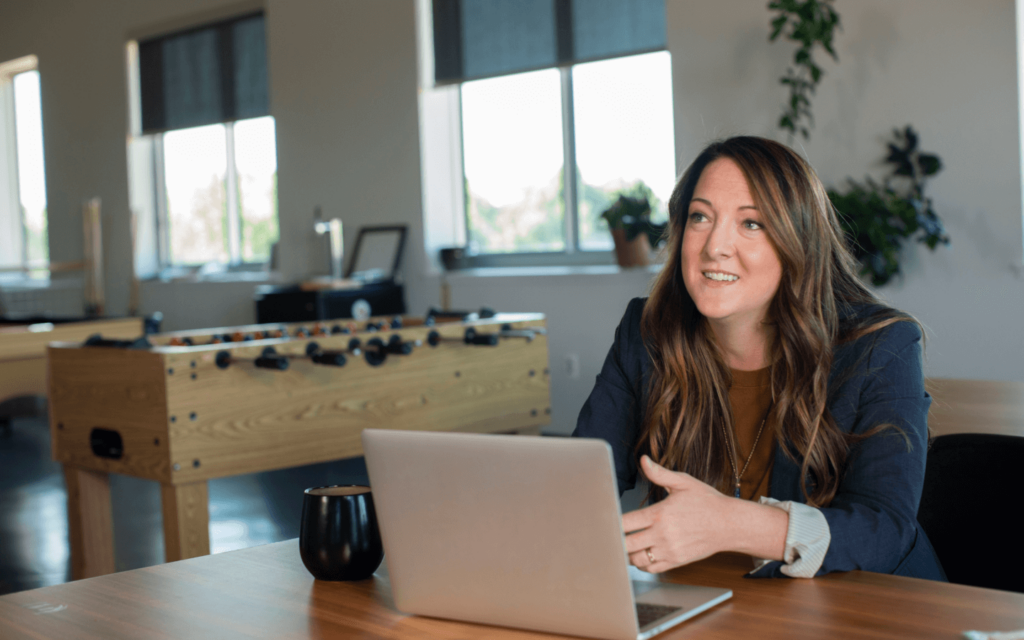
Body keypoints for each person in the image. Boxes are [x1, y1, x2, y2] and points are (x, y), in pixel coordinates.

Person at [572, 136, 945, 580]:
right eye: (700, 217)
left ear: (799, 241)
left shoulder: (880, 346)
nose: (715, 246)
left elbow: (885, 532)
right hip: (705, 605)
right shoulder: (647, 330)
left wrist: (731, 525)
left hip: (858, 609)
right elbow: (581, 483)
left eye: (752, 224)